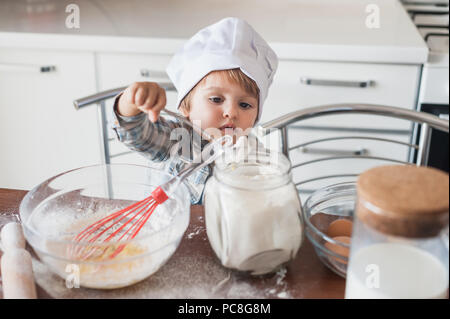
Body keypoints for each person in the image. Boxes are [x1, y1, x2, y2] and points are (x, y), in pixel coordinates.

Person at [111, 17, 278, 204]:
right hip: (171, 230)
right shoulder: (176, 140)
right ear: (185, 106)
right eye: (216, 99)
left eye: (245, 105)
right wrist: (131, 101)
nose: (231, 112)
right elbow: (136, 133)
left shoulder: (256, 154)